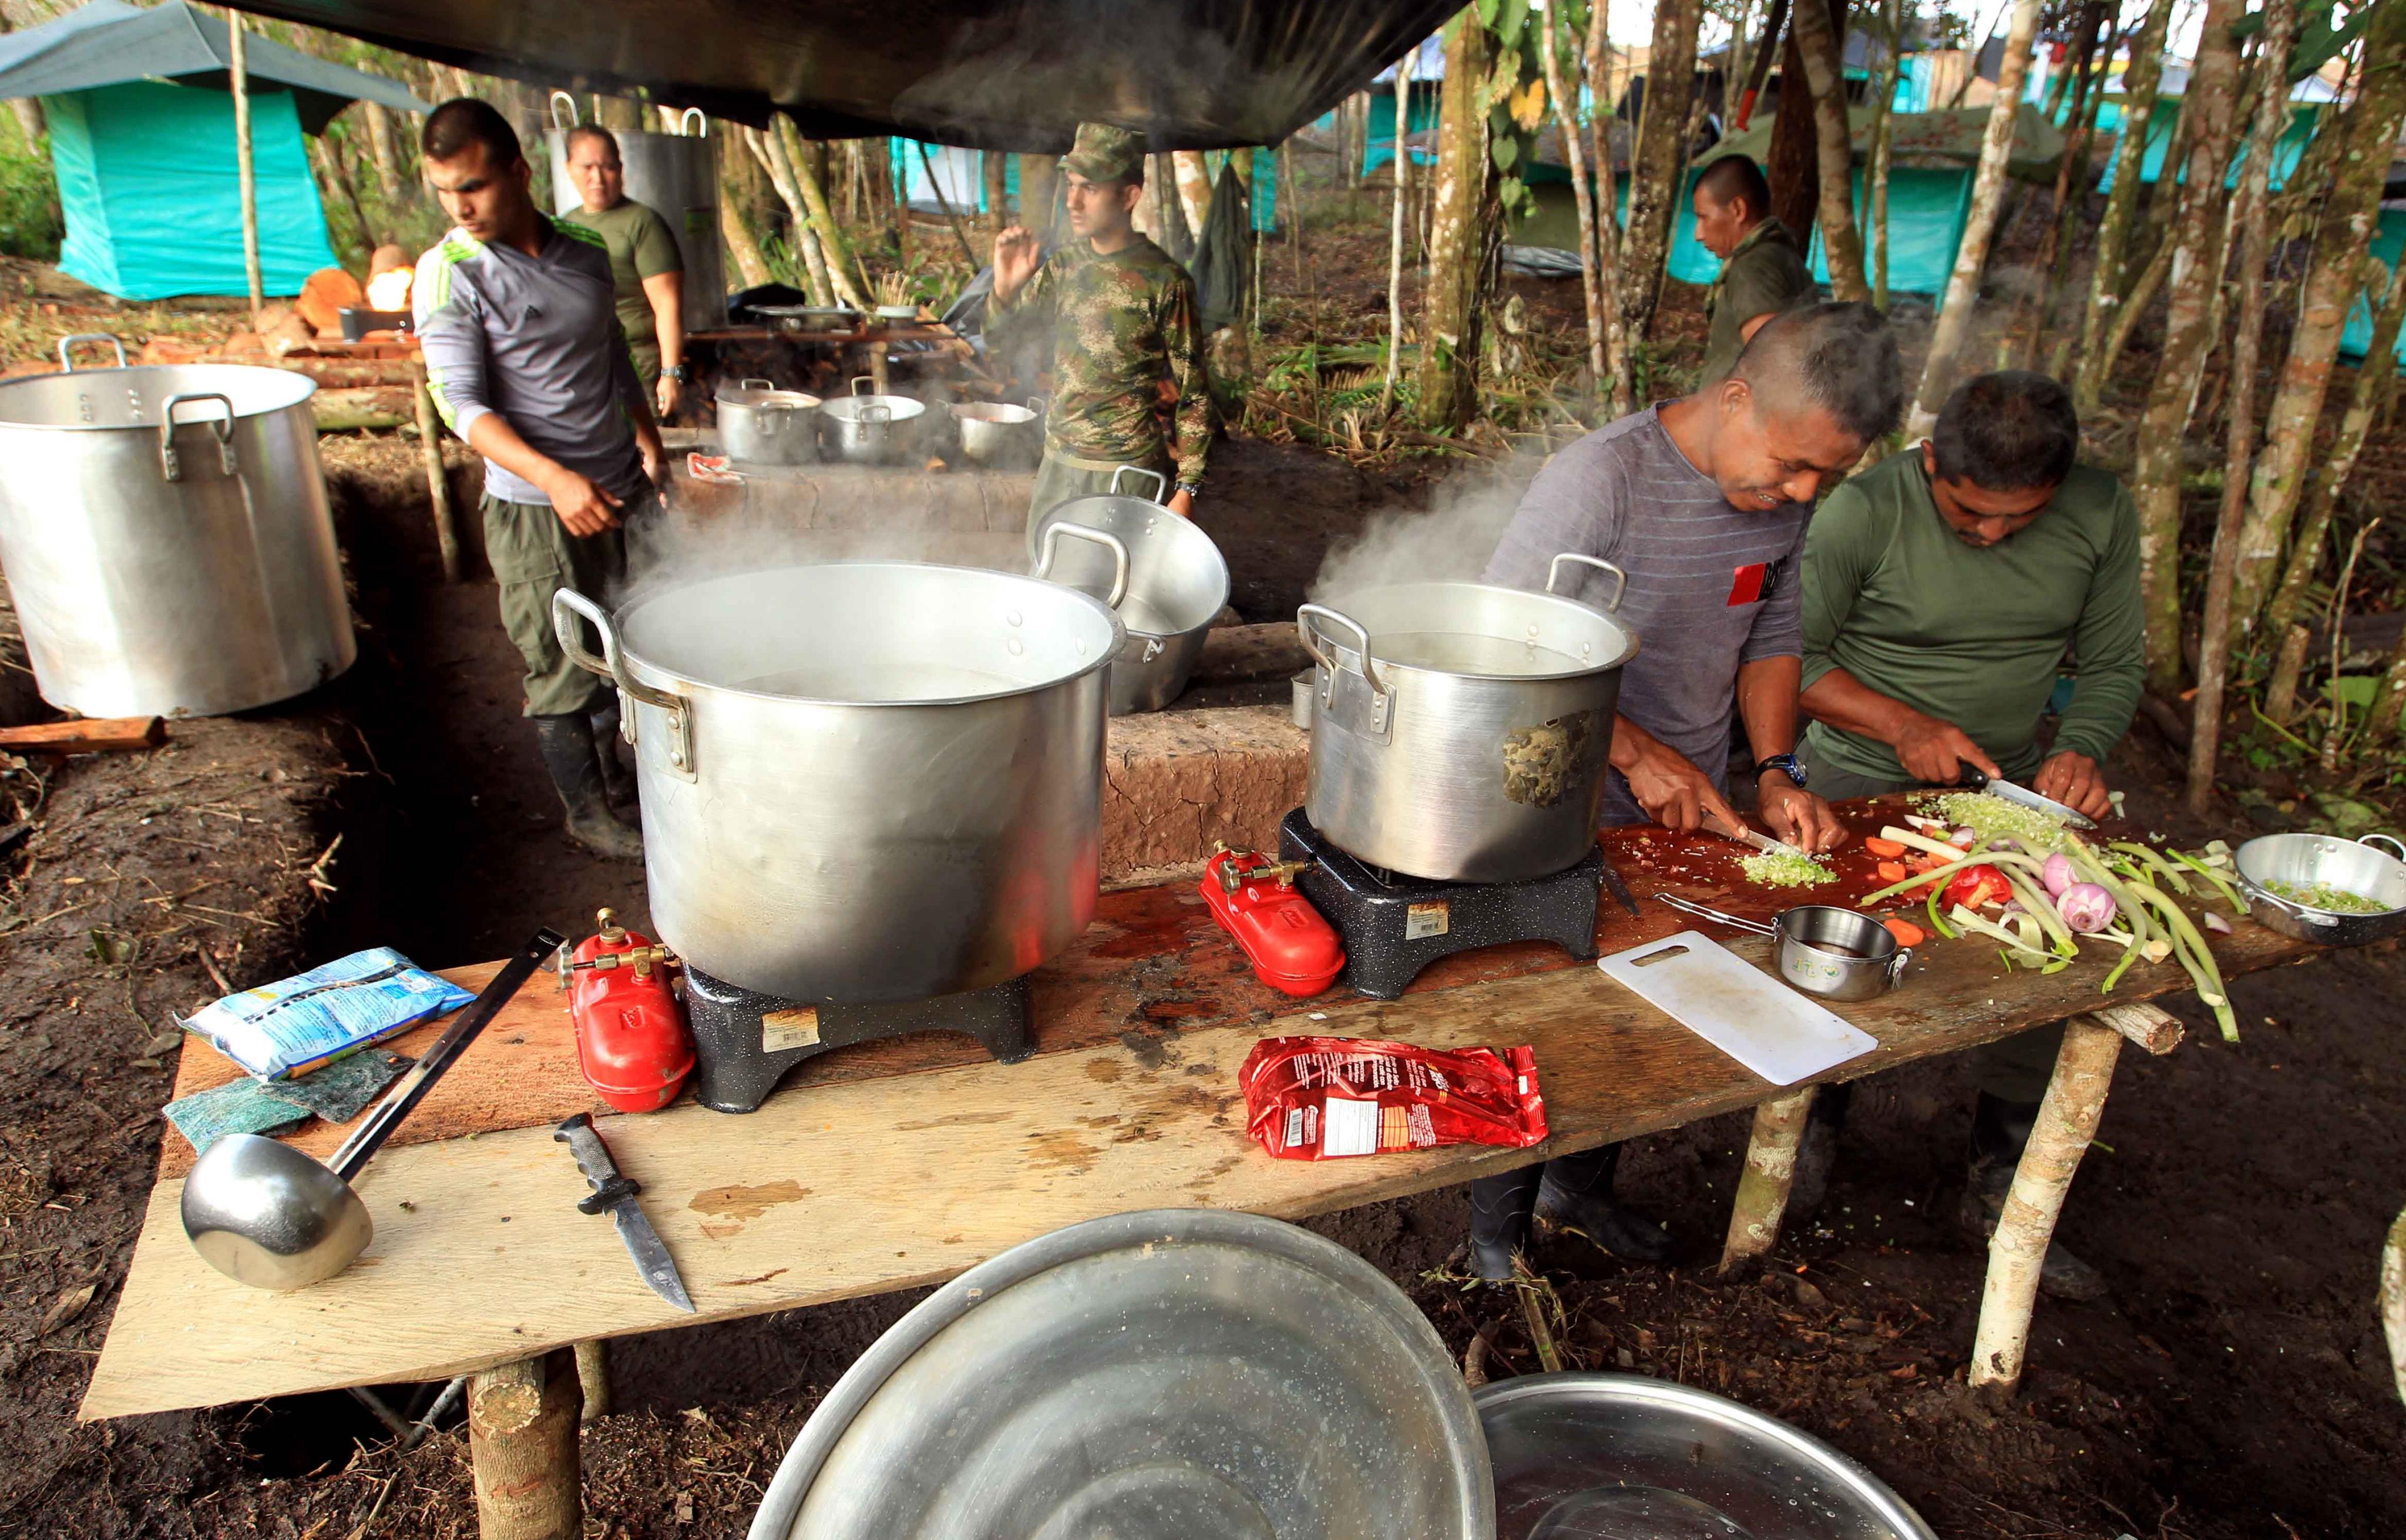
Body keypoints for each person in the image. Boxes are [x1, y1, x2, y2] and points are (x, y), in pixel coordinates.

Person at [1467, 301, 1904, 1281]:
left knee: (1635, 1008)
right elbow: (1498, 642)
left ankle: (1579, 1190)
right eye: (1792, 464)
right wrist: (1632, 753)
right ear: (1736, 397)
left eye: (1825, 477)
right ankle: (1496, 1236)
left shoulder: (1782, 496)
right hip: (1548, 802)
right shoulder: (1601, 479)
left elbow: (1771, 636)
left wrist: (1778, 767)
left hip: (1679, 815)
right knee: (1537, 1014)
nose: (1802, 491)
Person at [1793, 369, 2142, 1300]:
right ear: (1930, 461)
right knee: (1838, 950)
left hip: (2007, 784)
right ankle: (1808, 1126)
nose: (1992, 535)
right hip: (1858, 775)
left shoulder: (2102, 511)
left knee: (2056, 950)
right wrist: (1901, 724)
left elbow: (2113, 664)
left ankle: (2001, 1177)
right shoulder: (1865, 511)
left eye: (2020, 518)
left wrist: (2080, 748)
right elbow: (1791, 660)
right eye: (1969, 514)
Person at [413, 97, 666, 861]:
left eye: (474, 186)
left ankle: (621, 780)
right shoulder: (449, 273)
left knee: (631, 639)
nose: (460, 207)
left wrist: (648, 441)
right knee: (560, 665)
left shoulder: (586, 249)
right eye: (444, 191)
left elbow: (612, 352)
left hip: (619, 486)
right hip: (535, 508)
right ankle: (587, 815)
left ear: (521, 173)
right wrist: (554, 478)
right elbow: (462, 407)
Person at [987, 122, 1209, 533]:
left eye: (1089, 188)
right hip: (1059, 466)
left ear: (1129, 196)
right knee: (1047, 567)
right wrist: (1003, 291)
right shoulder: (1063, 267)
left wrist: (1187, 487)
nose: (1073, 201)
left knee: (1120, 572)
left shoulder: (1165, 281)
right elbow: (1004, 349)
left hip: (1128, 474)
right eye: (1071, 186)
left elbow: (1193, 392)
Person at [558, 123, 689, 419]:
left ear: (620, 169)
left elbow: (668, 303)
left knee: (642, 445)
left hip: (638, 366)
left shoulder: (642, 223)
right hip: (585, 369)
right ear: (569, 169)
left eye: (607, 167)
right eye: (587, 167)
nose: (597, 178)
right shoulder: (565, 225)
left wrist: (671, 373)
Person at [1691, 155, 1814, 386]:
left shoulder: (1751, 269)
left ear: (1738, 209)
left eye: (1703, 217)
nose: (1698, 234)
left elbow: (1771, 368)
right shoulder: (1781, 254)